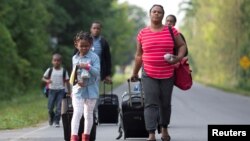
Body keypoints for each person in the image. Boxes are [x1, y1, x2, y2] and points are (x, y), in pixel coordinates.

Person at [130, 4, 187, 141]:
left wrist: (178, 58)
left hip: (168, 73)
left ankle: (164, 129)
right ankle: (151, 134)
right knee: (150, 103)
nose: (156, 14)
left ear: (163, 15)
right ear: (150, 14)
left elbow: (182, 45)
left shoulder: (171, 31)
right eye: (154, 12)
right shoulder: (143, 33)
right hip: (149, 73)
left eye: (159, 12)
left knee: (165, 103)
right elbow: (139, 55)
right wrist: (134, 72)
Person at [70, 31, 100, 141]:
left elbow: (96, 72)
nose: (84, 48)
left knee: (88, 114)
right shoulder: (74, 58)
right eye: (81, 46)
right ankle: (74, 137)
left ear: (91, 44)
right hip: (78, 90)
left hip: (91, 90)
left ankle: (86, 137)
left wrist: (87, 66)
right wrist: (76, 82)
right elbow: (74, 73)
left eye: (86, 46)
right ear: (76, 45)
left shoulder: (95, 57)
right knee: (77, 112)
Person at [42, 53, 70, 127]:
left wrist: (69, 91)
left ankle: (57, 121)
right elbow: (43, 78)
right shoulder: (50, 70)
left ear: (60, 62)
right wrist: (47, 81)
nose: (56, 62)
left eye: (58, 61)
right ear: (52, 61)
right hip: (51, 90)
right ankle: (52, 117)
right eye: (55, 60)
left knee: (59, 107)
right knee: (50, 107)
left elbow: (67, 81)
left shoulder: (64, 71)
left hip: (61, 90)